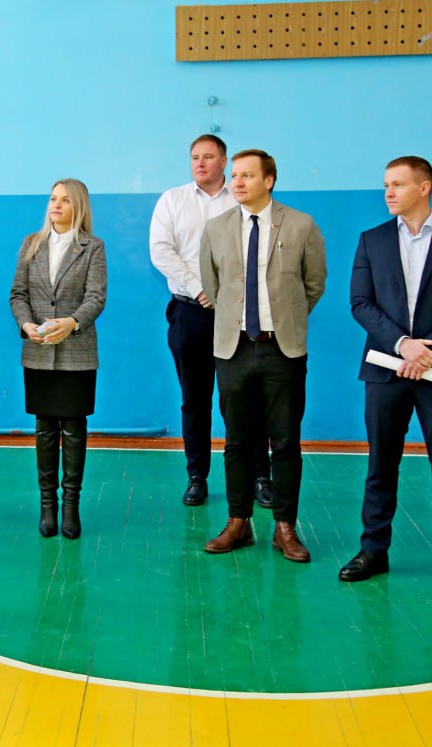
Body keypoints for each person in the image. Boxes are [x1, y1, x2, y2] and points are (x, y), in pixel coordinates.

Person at [342, 156, 432, 594]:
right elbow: (360, 302)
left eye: (398, 184)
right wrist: (403, 345)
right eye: (386, 184)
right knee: (380, 466)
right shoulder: (372, 240)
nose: (388, 192)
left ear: (424, 187)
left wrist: (429, 351)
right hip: (385, 369)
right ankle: (373, 550)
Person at [199, 149, 326, 563]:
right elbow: (212, 286)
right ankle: (238, 522)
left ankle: (285, 527)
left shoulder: (301, 225)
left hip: (282, 349)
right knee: (236, 440)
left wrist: (284, 320)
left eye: (247, 175)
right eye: (234, 175)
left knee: (286, 441)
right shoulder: (216, 228)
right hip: (233, 349)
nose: (237, 182)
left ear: (268, 181)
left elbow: (313, 284)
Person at [150, 135, 273, 509]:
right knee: (195, 399)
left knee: (246, 399)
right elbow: (161, 251)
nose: (200, 163)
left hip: (238, 313)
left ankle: (259, 476)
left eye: (208, 157)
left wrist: (225, 293)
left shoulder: (243, 199)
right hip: (190, 312)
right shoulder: (173, 200)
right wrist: (199, 287)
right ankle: (197, 476)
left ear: (224, 161)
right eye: (194, 157)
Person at [9, 179, 107, 539]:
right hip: (38, 352)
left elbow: (96, 297)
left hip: (77, 353)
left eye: (65, 200)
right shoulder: (31, 244)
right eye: (53, 198)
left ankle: (71, 507)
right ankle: (47, 507)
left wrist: (72, 322)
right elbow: (18, 294)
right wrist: (26, 325)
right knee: (45, 429)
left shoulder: (93, 247)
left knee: (75, 430)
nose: (57, 205)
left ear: (78, 206)